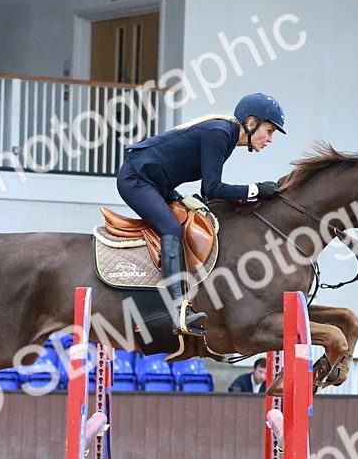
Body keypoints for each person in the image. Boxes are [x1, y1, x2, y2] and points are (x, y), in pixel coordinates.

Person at [116, 92, 287, 337]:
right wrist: (256, 189)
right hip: (136, 180)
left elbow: (207, 193)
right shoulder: (219, 134)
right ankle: (175, 310)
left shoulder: (225, 137)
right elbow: (213, 188)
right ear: (251, 123)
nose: (270, 139)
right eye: (269, 131)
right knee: (172, 229)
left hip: (158, 185)